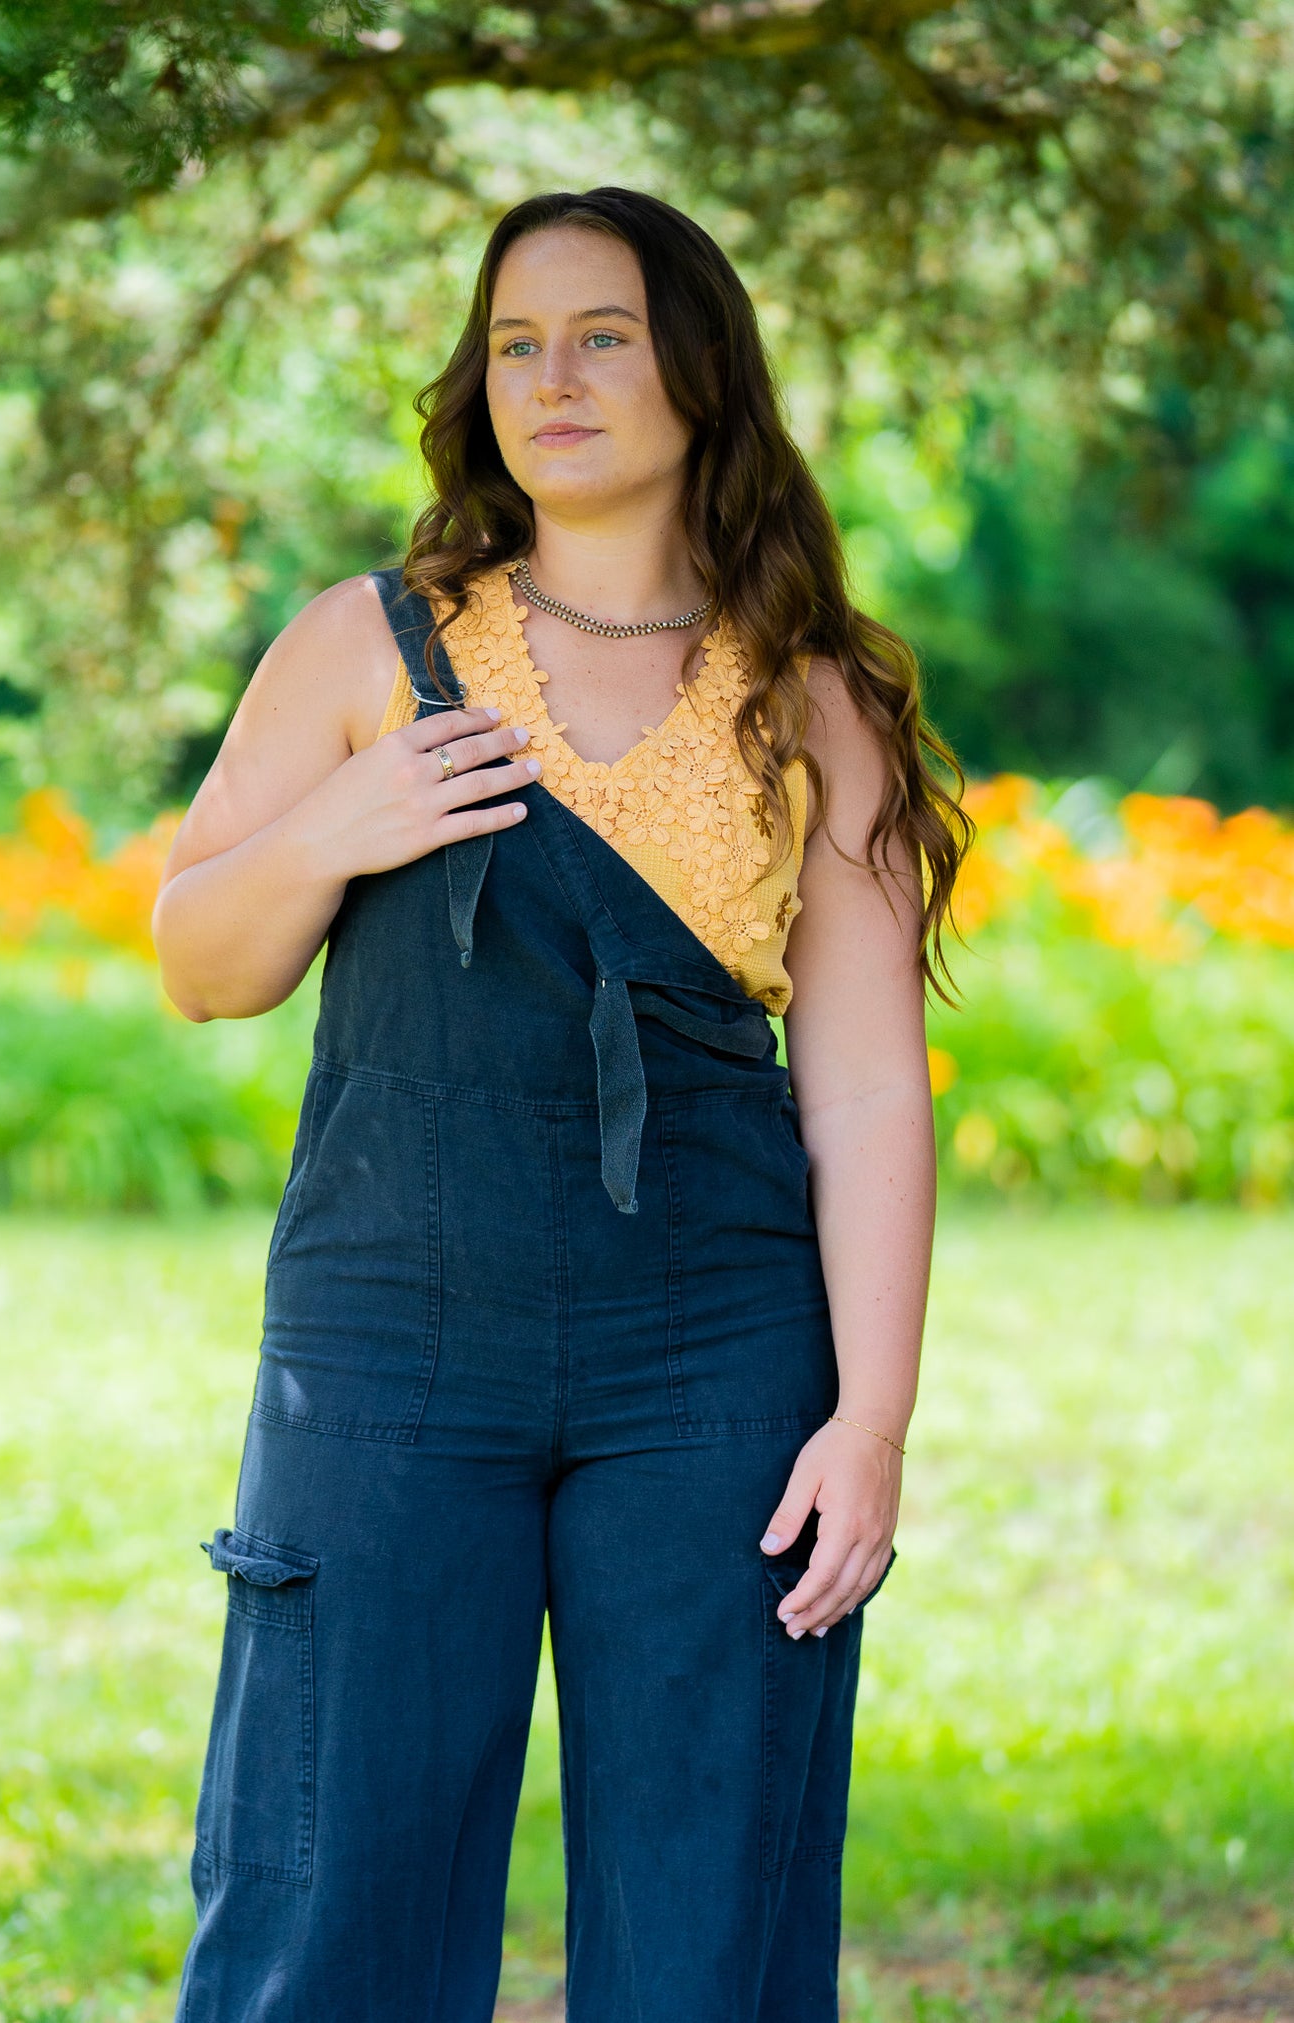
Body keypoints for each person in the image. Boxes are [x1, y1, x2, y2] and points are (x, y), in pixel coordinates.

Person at [152, 184, 968, 2023]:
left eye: (602, 333)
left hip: (711, 1357)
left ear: (698, 370)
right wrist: (334, 831)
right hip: (386, 1332)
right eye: (516, 341)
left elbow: (861, 1093)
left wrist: (875, 1421)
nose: (554, 376)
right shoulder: (364, 644)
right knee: (321, 1889)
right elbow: (200, 957)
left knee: (712, 1920)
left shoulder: (813, 696)